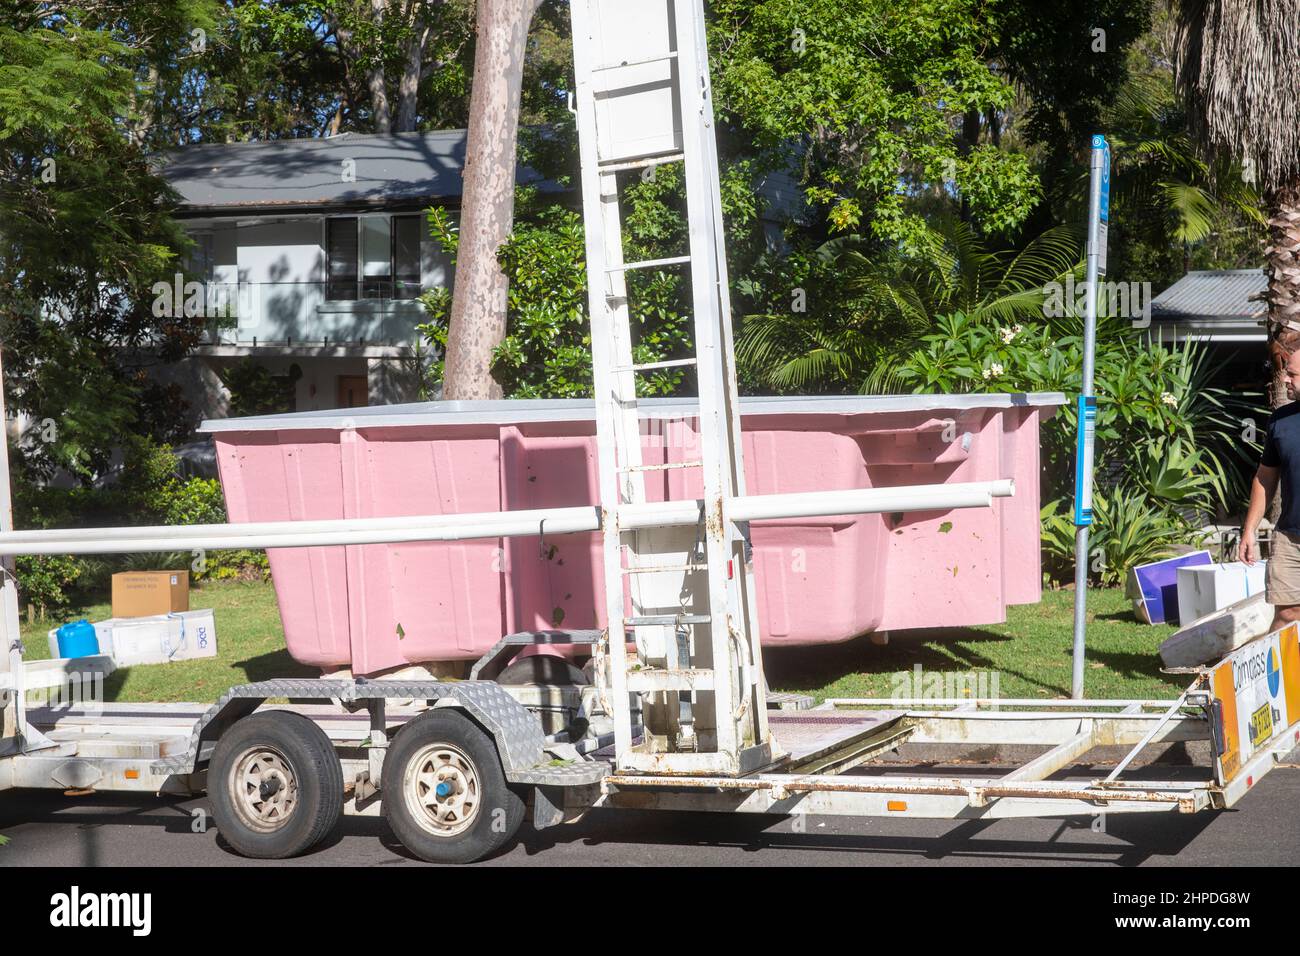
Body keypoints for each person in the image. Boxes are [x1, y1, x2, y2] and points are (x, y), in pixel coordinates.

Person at [1240, 349, 1300, 632]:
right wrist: (1249, 530)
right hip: (1290, 536)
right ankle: (1280, 676)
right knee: (1288, 614)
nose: (1285, 379)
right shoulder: (1281, 420)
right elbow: (1265, 478)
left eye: (1292, 374)